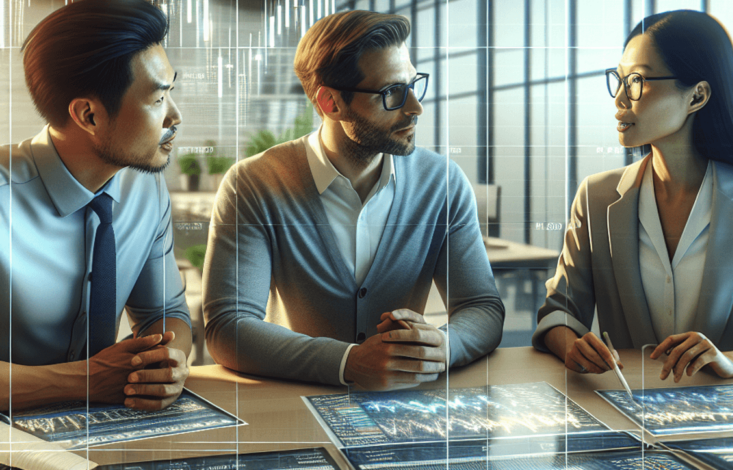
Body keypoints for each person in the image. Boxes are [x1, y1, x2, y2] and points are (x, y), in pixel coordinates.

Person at [203, 10, 505, 390]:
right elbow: (228, 327)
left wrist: (443, 345)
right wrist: (348, 362)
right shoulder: (254, 184)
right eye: (392, 93)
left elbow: (483, 308)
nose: (415, 107)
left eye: (413, 84)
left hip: (405, 411)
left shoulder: (442, 183)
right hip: (296, 407)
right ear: (330, 103)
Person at [533, 10, 733, 383]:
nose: (619, 98)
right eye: (618, 80)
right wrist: (572, 344)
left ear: (697, 95)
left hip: (729, 418)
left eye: (637, 81)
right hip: (625, 408)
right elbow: (559, 311)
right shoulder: (597, 197)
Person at [0, 0, 191, 411]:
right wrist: (82, 381)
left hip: (106, 432)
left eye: (170, 92)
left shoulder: (146, 188)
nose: (175, 115)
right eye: (158, 100)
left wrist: (163, 365)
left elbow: (167, 312)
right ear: (88, 114)